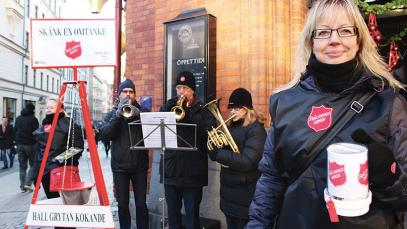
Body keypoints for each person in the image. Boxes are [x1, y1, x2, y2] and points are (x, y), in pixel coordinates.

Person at [247, 0, 407, 228]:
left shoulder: (388, 102)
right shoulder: (285, 101)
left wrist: (388, 174)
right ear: (310, 41)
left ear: (358, 39)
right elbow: (271, 179)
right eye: (323, 32)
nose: (335, 40)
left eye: (345, 31)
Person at [159, 71, 215, 229]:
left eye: (184, 88)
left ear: (193, 90)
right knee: (173, 216)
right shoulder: (169, 106)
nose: (181, 92)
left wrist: (189, 114)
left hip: (193, 172)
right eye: (178, 88)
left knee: (192, 217)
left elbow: (209, 132)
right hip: (171, 170)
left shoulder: (203, 109)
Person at [207, 88, 266, 229]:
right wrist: (213, 148)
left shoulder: (256, 130)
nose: (232, 111)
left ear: (247, 109)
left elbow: (248, 162)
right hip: (229, 195)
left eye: (237, 108)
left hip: (245, 196)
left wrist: (219, 154)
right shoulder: (230, 127)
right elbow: (220, 153)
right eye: (231, 108)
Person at [99, 79, 149, 229]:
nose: (128, 95)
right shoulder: (112, 114)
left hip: (139, 166)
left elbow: (150, 133)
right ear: (119, 94)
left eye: (131, 92)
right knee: (122, 204)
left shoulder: (142, 111)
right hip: (120, 167)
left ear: (134, 94)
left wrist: (139, 114)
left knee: (141, 204)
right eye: (125, 92)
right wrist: (118, 115)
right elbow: (105, 135)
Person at [33, 99, 83, 200]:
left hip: (62, 172)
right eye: (47, 107)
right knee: (54, 203)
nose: (48, 110)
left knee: (67, 204)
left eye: (51, 108)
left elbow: (77, 146)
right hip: (46, 174)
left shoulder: (69, 124)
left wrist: (59, 160)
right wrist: (36, 174)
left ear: (60, 109)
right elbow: (38, 152)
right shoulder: (44, 126)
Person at [15, 103, 39, 192]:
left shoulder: (18, 118)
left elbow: (15, 130)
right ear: (33, 109)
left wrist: (16, 142)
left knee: (22, 166)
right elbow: (36, 133)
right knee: (33, 165)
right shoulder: (33, 119)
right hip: (30, 145)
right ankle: (27, 183)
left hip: (20, 145)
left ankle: (22, 187)